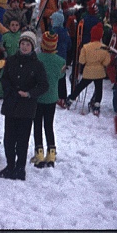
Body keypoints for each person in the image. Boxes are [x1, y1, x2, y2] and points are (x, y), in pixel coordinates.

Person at [0, 30, 48, 180]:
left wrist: (30, 93)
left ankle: (20, 168)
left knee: (22, 140)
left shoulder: (37, 65)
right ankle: (10, 165)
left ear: (33, 47)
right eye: (23, 44)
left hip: (26, 108)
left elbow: (43, 85)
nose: (25, 47)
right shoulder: (11, 60)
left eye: (28, 44)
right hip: (11, 105)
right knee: (8, 139)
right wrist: (9, 91)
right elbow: (4, 79)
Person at [31, 31, 64, 168]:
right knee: (49, 125)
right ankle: (51, 153)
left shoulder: (36, 58)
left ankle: (39, 153)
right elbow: (61, 79)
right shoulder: (61, 61)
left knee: (37, 125)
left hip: (38, 98)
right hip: (51, 98)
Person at [64, 22, 110, 115]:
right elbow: (106, 62)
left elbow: (82, 61)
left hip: (88, 70)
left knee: (81, 86)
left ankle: (71, 99)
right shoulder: (105, 48)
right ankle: (97, 105)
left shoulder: (86, 47)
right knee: (98, 88)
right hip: (99, 71)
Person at [49, 11, 72, 107]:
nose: (50, 21)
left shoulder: (53, 32)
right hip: (63, 58)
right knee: (62, 78)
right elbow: (70, 45)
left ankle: (55, 96)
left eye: (52, 19)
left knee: (53, 77)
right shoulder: (66, 32)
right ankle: (63, 97)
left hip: (54, 57)